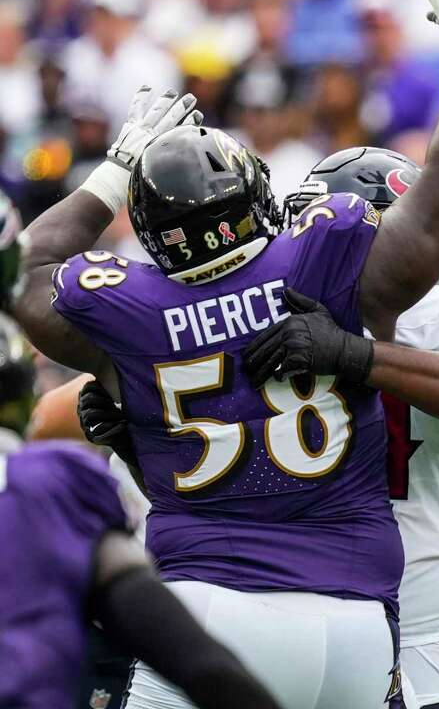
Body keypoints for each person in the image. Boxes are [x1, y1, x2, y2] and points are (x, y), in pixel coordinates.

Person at [9, 0, 439, 709]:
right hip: (358, 626)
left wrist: (117, 165)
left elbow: (24, 267)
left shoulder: (130, 309)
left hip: (213, 603)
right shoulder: (327, 262)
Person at [240, 146, 439, 709]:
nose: (306, 248)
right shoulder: (269, 316)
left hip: (414, 641)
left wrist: (355, 354)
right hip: (279, 626)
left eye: (327, 230)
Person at [0, 211, 280, 709]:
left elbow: (27, 270)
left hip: (198, 585)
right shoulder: (47, 487)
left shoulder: (140, 333)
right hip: (328, 596)